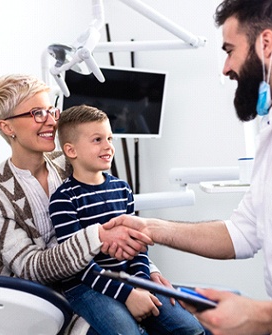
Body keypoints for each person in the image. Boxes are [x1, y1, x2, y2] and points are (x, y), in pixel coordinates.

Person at [103, 0, 272, 334]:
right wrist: (151, 228)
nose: (225, 67)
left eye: (230, 50)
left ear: (265, 44)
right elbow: (241, 233)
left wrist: (265, 317)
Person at [0, 74, 169, 335]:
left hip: (91, 281)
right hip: (30, 299)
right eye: (37, 113)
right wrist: (98, 236)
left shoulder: (68, 160)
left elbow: (114, 214)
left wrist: (148, 273)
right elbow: (31, 268)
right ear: (8, 128)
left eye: (51, 110)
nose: (52, 121)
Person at [49, 104, 206, 335]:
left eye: (110, 138)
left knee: (191, 329)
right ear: (71, 151)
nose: (108, 146)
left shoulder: (122, 189)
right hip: (86, 286)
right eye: (97, 140)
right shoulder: (63, 199)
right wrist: (127, 294)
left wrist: (142, 285)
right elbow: (79, 266)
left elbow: (139, 246)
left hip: (131, 278)